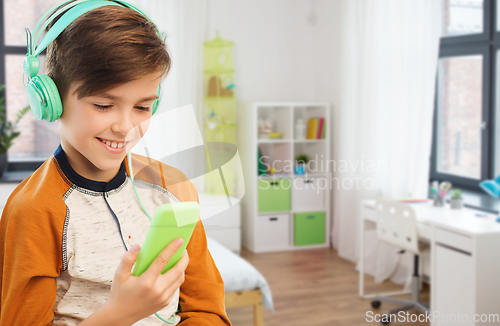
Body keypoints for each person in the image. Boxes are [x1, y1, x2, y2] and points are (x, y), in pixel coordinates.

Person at [0, 1, 231, 325]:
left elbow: (207, 311)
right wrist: (119, 315)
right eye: (104, 105)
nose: (125, 126)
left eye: (141, 106)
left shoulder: (173, 186)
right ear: (49, 100)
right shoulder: (34, 211)